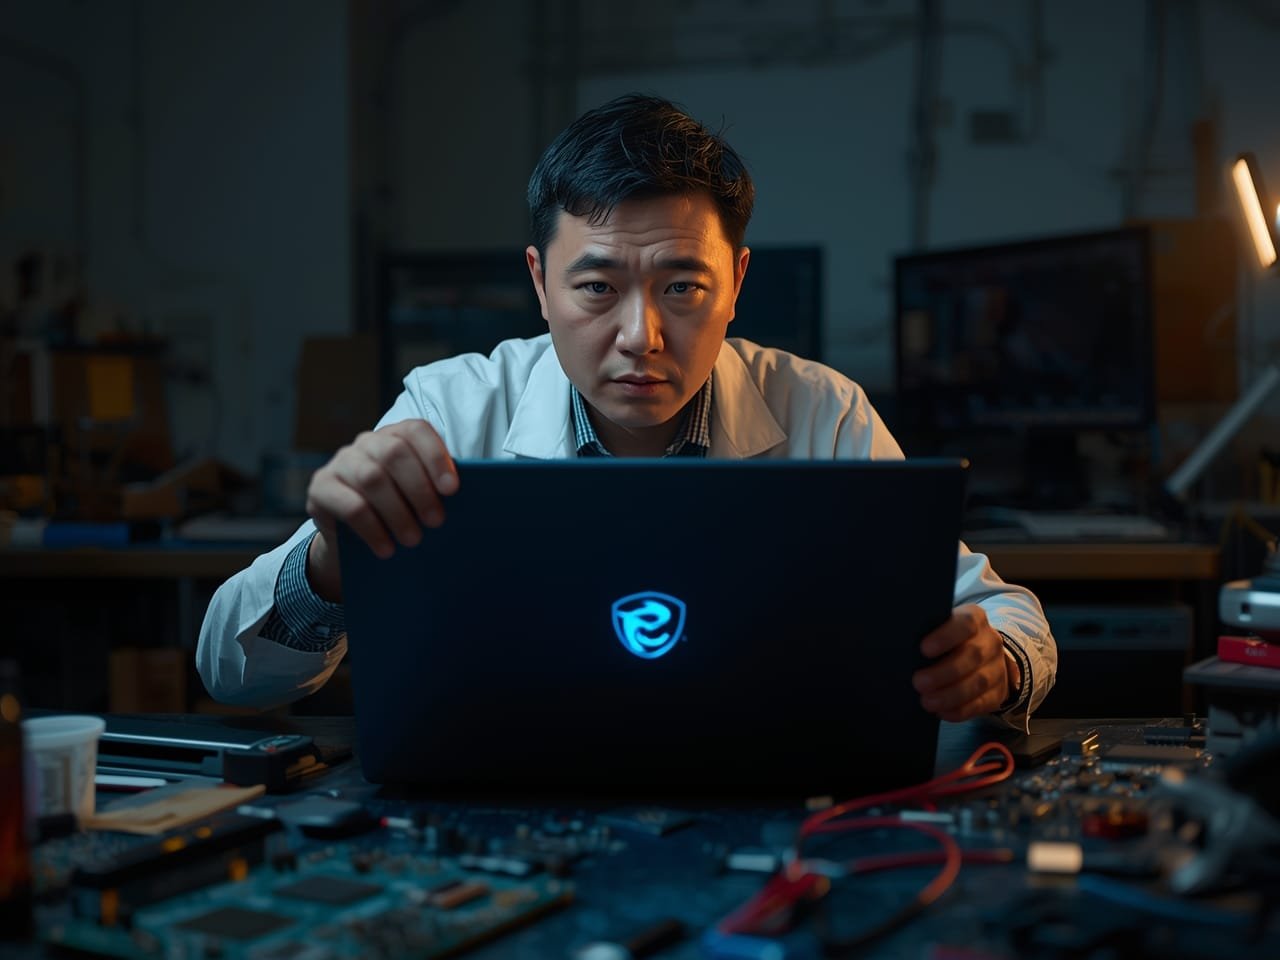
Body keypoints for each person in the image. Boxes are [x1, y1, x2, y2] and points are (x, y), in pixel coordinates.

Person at [197, 93, 1056, 729]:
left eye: (682, 287)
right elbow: (232, 675)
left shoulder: (822, 410)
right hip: (515, 800)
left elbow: (1005, 614)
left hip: (760, 796)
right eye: (598, 288)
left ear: (736, 285)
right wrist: (332, 561)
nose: (640, 336)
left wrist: (997, 665)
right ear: (540, 283)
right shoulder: (450, 407)